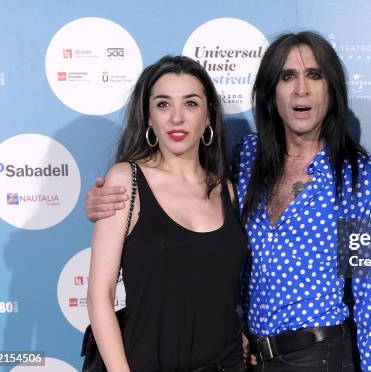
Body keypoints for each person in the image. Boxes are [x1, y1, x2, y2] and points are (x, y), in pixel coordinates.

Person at [87, 32, 371, 371]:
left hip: (318, 357)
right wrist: (104, 205)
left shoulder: (360, 177)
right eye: (287, 76)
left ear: (331, 90)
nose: (301, 89)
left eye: (314, 75)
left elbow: (370, 293)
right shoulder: (245, 160)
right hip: (247, 358)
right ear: (271, 92)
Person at [86, 55, 247, 372]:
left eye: (190, 103)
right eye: (163, 104)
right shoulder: (126, 180)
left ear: (208, 116)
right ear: (148, 117)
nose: (176, 117)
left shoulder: (228, 191)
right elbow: (98, 295)